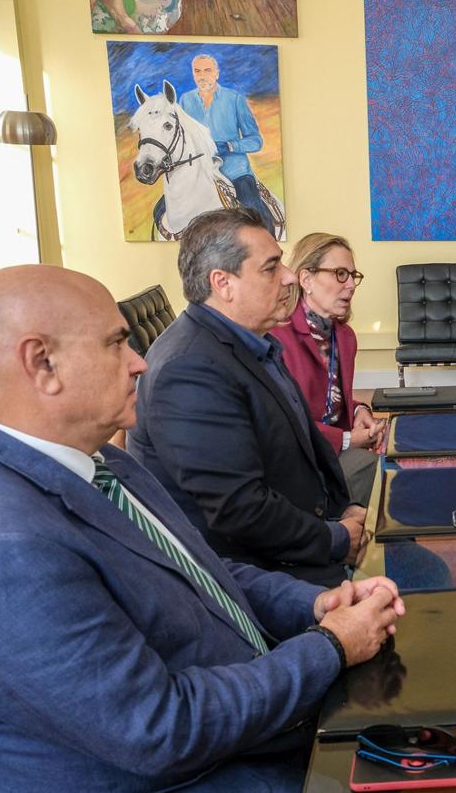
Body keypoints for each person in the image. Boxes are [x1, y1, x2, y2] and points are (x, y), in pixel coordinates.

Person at [0, 264, 404, 790]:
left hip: (251, 718)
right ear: (42, 363)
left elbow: (200, 571)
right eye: (117, 343)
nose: (138, 362)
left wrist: (315, 605)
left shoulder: (102, 462)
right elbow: (158, 730)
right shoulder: (7, 547)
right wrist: (330, 645)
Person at [129, 207, 368, 586]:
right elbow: (239, 509)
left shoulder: (253, 342)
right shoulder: (189, 368)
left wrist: (346, 510)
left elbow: (303, 445)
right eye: (272, 267)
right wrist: (337, 537)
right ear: (223, 283)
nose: (290, 276)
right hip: (258, 577)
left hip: (299, 539)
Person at [272, 232, 383, 504]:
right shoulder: (276, 338)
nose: (351, 286)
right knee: (382, 473)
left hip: (332, 449)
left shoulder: (344, 337)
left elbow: (327, 397)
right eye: (340, 274)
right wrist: (346, 440)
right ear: (306, 279)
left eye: (353, 276)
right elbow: (283, 422)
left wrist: (358, 410)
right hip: (300, 462)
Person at [153, 52, 276, 235]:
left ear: (216, 73)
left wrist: (230, 146)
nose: (202, 76)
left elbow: (256, 140)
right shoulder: (185, 101)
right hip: (199, 172)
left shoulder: (235, 99)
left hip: (235, 172)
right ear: (193, 75)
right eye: (197, 71)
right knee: (159, 210)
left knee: (256, 215)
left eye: (207, 70)